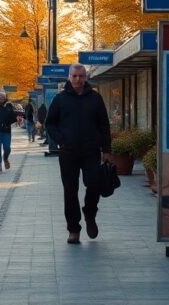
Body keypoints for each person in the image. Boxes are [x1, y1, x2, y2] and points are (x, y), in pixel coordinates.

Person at [46, 64, 111, 243]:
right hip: (68, 152)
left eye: (81, 76)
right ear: (69, 77)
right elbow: (49, 123)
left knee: (94, 184)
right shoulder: (60, 99)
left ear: (86, 77)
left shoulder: (95, 98)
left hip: (91, 151)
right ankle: (73, 229)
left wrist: (106, 150)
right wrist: (61, 139)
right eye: (74, 76)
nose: (78, 80)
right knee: (70, 191)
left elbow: (104, 125)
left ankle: (90, 214)